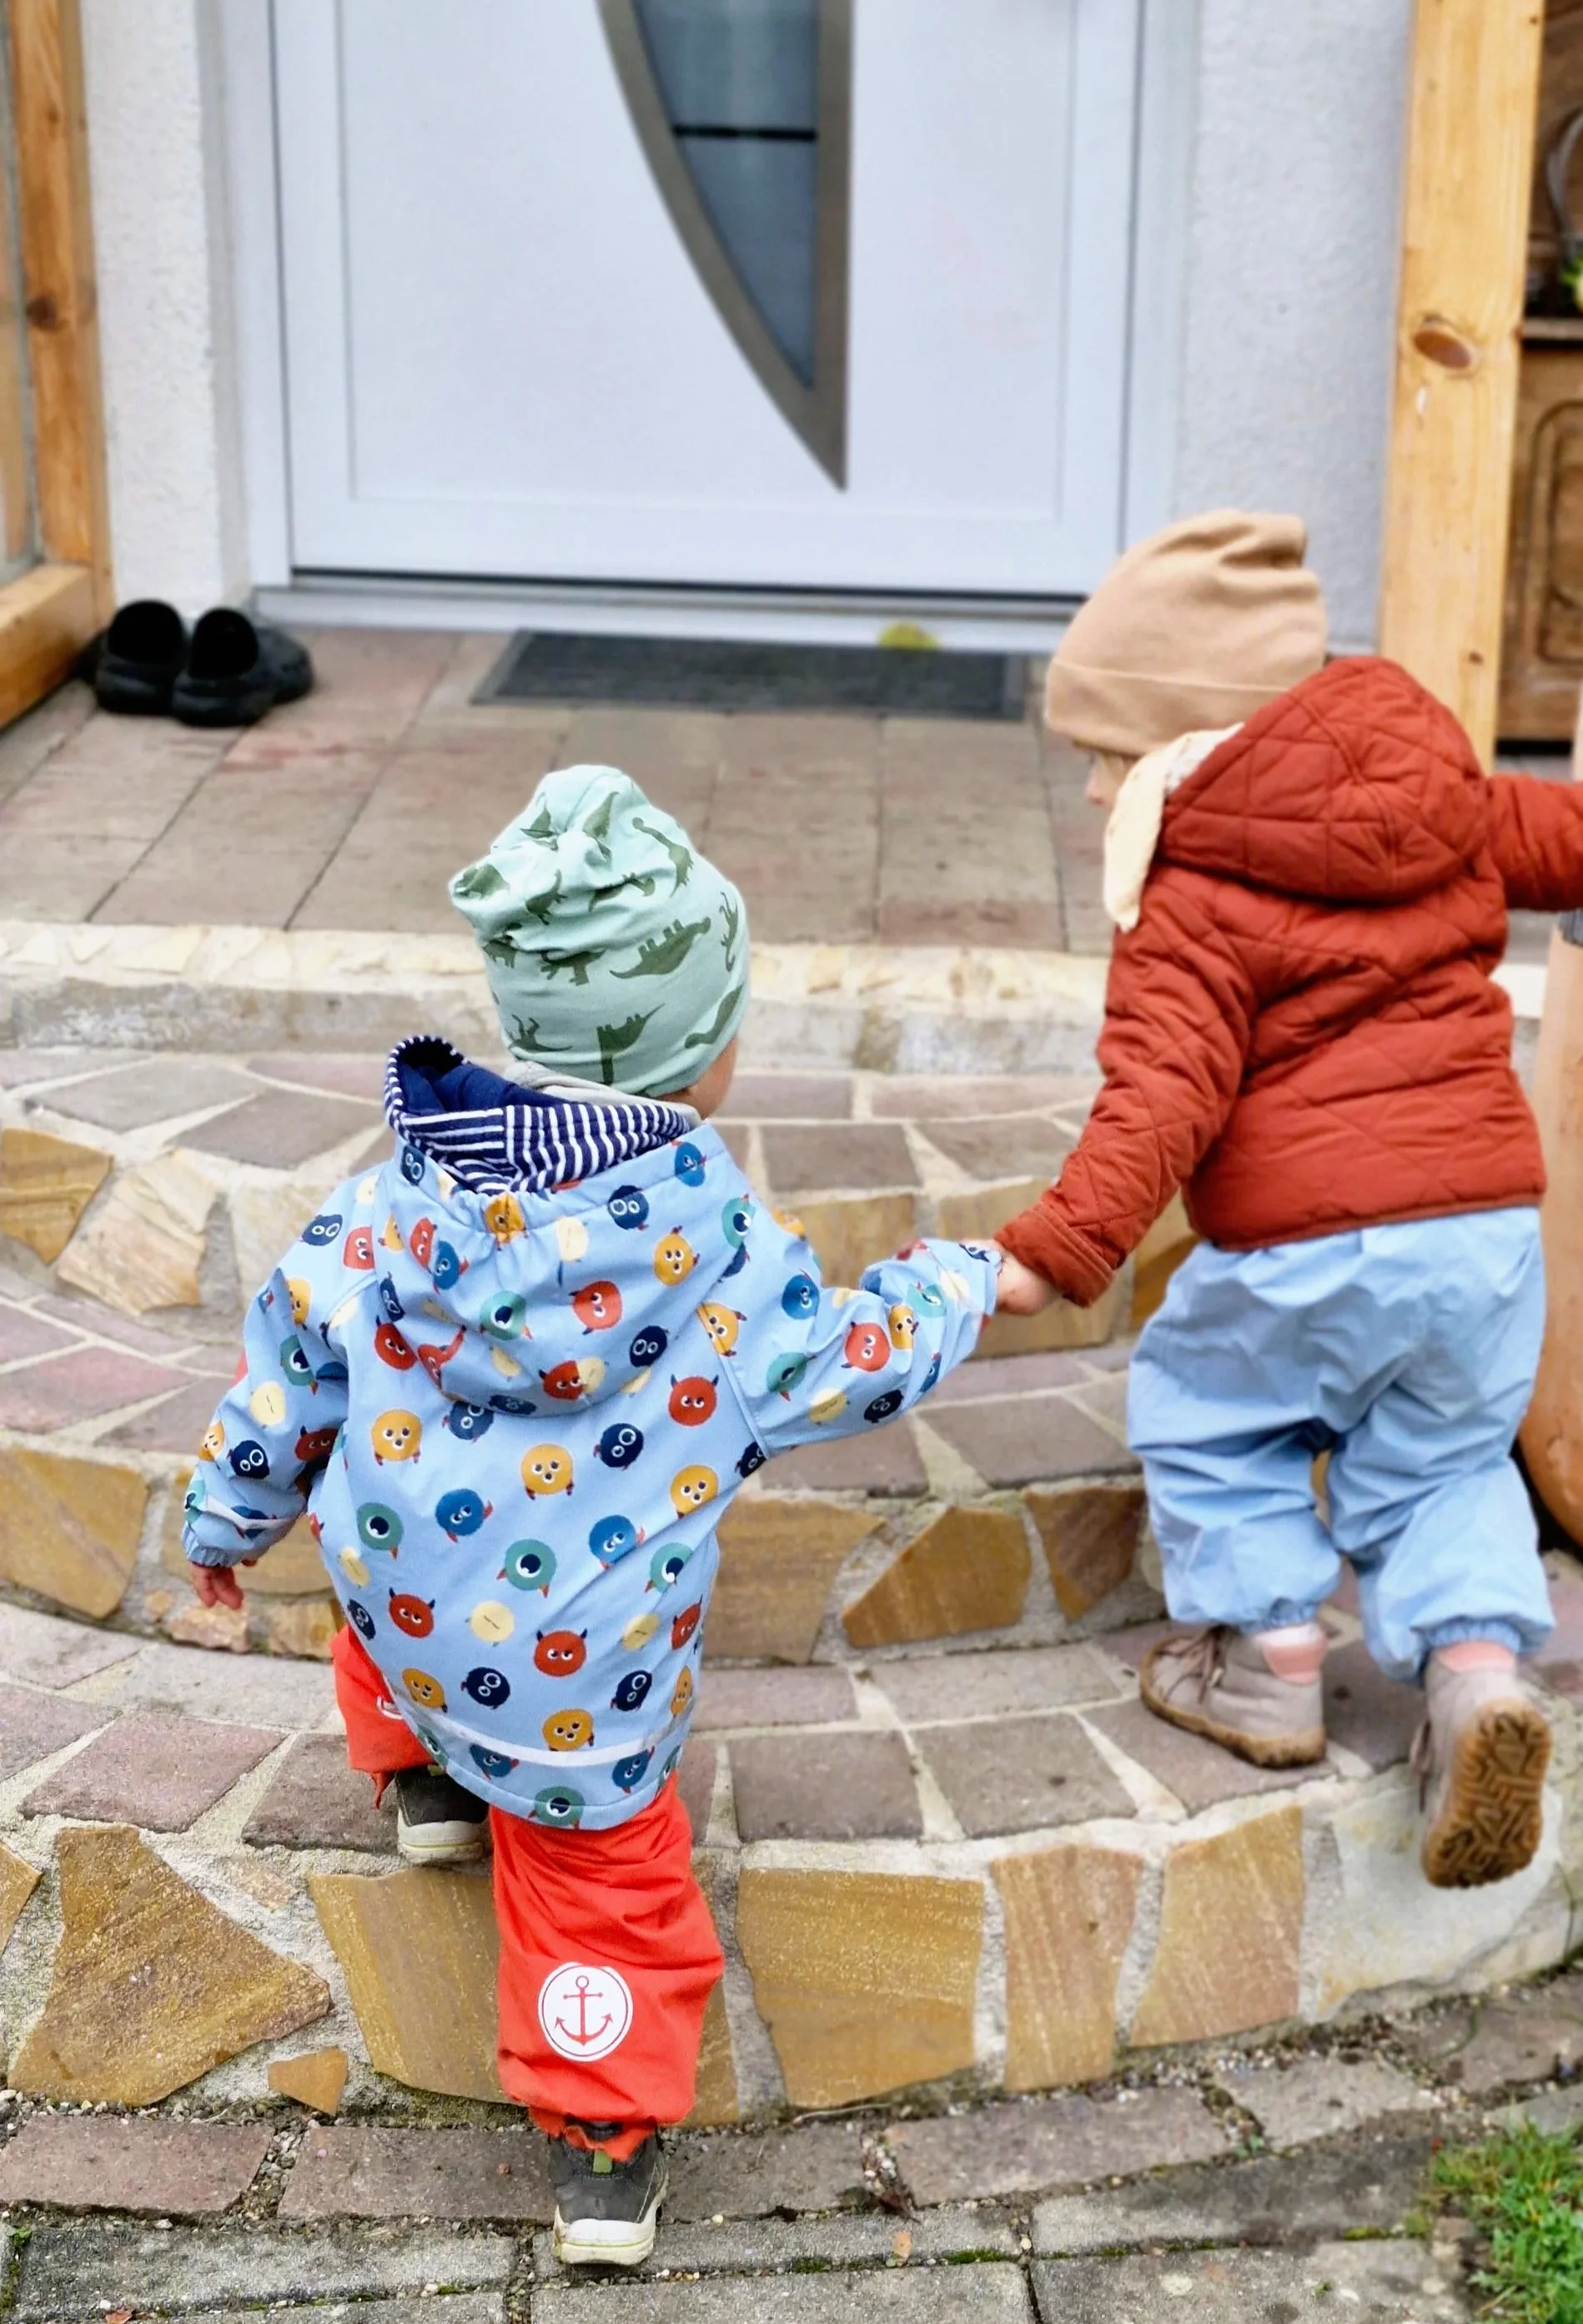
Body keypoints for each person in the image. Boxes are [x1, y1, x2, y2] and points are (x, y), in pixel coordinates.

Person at [183, 767, 997, 2269]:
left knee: (384, 1562)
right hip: (578, 1680)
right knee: (601, 1885)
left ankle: (429, 1791)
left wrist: (227, 1526)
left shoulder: (385, 1206)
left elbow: (286, 1374)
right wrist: (959, 1282)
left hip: (407, 1608)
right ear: (702, 1051)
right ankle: (602, 2148)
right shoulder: (726, 1263)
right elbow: (851, 1365)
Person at [990, 511, 1583, 1891]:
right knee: (1448, 1461)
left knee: (1211, 1418)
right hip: (1482, 1233)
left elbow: (1158, 1098)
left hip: (1302, 1246)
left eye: (1110, 759)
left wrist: (1058, 1250)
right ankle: (1473, 1676)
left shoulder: (1189, 888)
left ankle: (1270, 1660)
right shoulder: (1447, 796)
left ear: (1192, 747)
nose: (1101, 797)